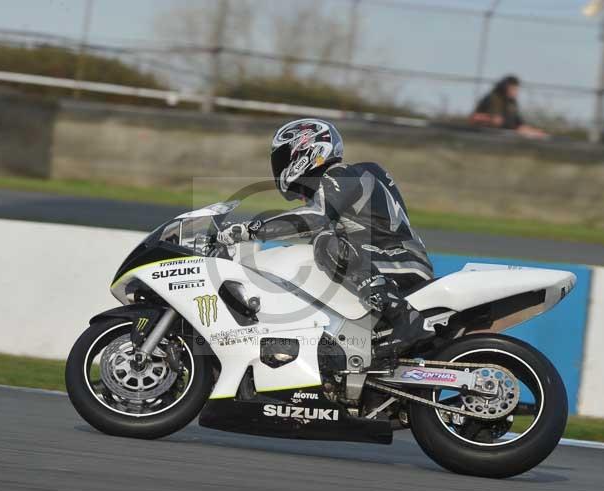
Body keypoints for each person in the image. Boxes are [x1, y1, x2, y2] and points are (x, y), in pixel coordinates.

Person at [216, 118, 434, 363]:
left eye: (283, 158)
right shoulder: (342, 180)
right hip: (382, 256)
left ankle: (406, 319)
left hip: (399, 258)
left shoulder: (342, 174)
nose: (279, 167)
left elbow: (314, 219)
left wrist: (249, 229)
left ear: (307, 149)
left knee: (325, 243)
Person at [470, 75, 547, 139]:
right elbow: (495, 120)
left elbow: (518, 123)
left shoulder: (512, 102)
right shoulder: (494, 98)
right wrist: (490, 119)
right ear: (506, 88)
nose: (515, 91)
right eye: (513, 89)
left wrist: (533, 132)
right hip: (484, 133)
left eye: (516, 89)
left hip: (504, 133)